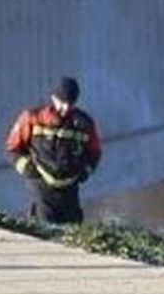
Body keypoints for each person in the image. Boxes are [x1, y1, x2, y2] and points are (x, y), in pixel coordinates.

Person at [5, 76, 101, 224]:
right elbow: (12, 148)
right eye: (62, 102)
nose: (66, 107)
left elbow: (94, 152)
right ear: (53, 98)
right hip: (41, 186)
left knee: (72, 229)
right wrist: (27, 168)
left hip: (70, 189)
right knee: (46, 229)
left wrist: (86, 170)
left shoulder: (84, 123)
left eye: (70, 103)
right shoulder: (32, 118)